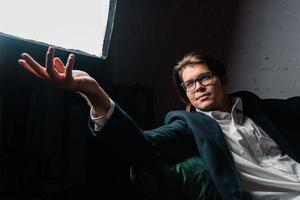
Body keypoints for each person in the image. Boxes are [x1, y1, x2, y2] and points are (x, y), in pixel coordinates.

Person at [18, 46, 300, 200]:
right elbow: (140, 145)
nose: (198, 87)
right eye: (189, 84)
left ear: (221, 80)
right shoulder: (189, 124)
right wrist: (92, 91)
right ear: (186, 95)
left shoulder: (259, 107)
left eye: (204, 78)